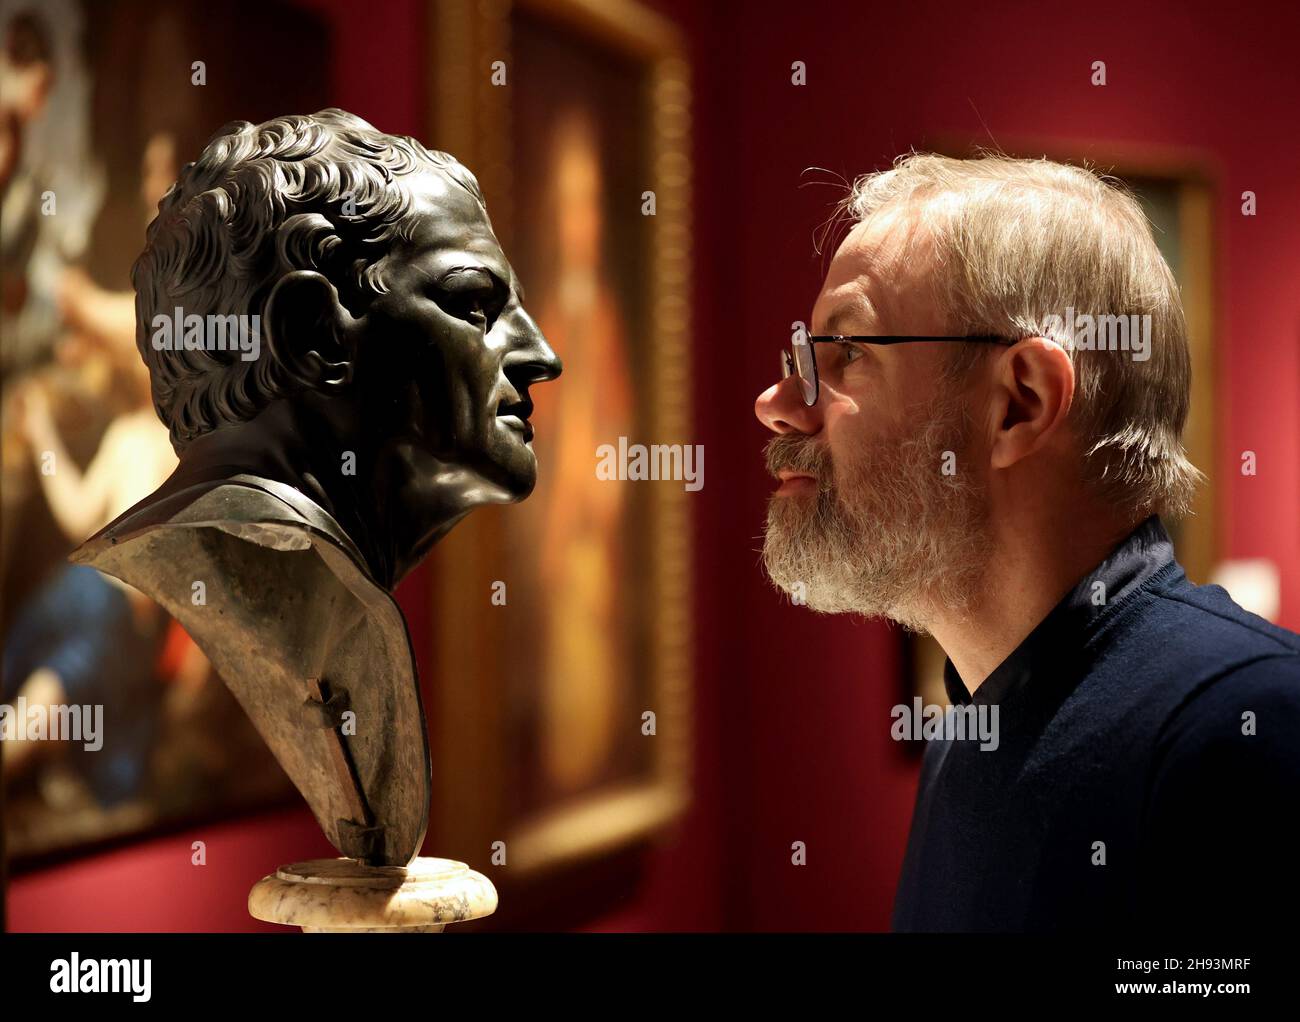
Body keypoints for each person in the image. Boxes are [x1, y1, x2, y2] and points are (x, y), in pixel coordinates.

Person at [754, 153, 1300, 933]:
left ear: (1020, 402)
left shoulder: (1248, 734)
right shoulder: (967, 740)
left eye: (847, 354)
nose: (777, 404)